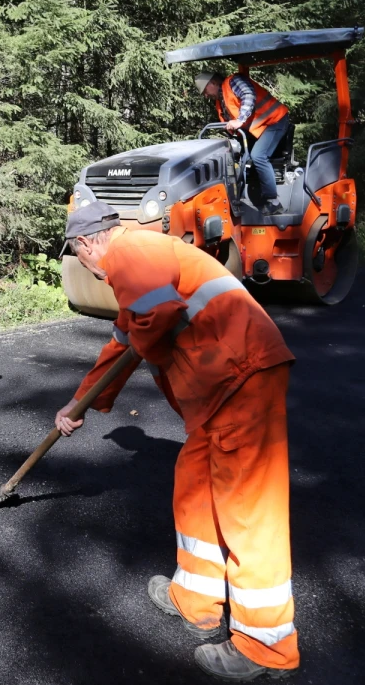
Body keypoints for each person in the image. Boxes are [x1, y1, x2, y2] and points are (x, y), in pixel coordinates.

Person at [56, 202, 299, 680]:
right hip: (218, 392)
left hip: (241, 379)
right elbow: (121, 347)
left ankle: (266, 646)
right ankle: (195, 599)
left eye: (76, 256)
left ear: (87, 244)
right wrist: (77, 404)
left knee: (248, 512)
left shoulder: (130, 252)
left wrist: (150, 345)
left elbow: (156, 319)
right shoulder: (139, 267)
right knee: (194, 486)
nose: (83, 266)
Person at [196, 70, 291, 216]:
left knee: (259, 155)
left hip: (275, 120)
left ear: (213, 83)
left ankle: (274, 202)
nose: (206, 96)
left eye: (205, 91)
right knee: (239, 159)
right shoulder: (221, 101)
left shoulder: (233, 82)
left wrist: (240, 120)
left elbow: (248, 95)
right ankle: (238, 199)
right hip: (260, 128)